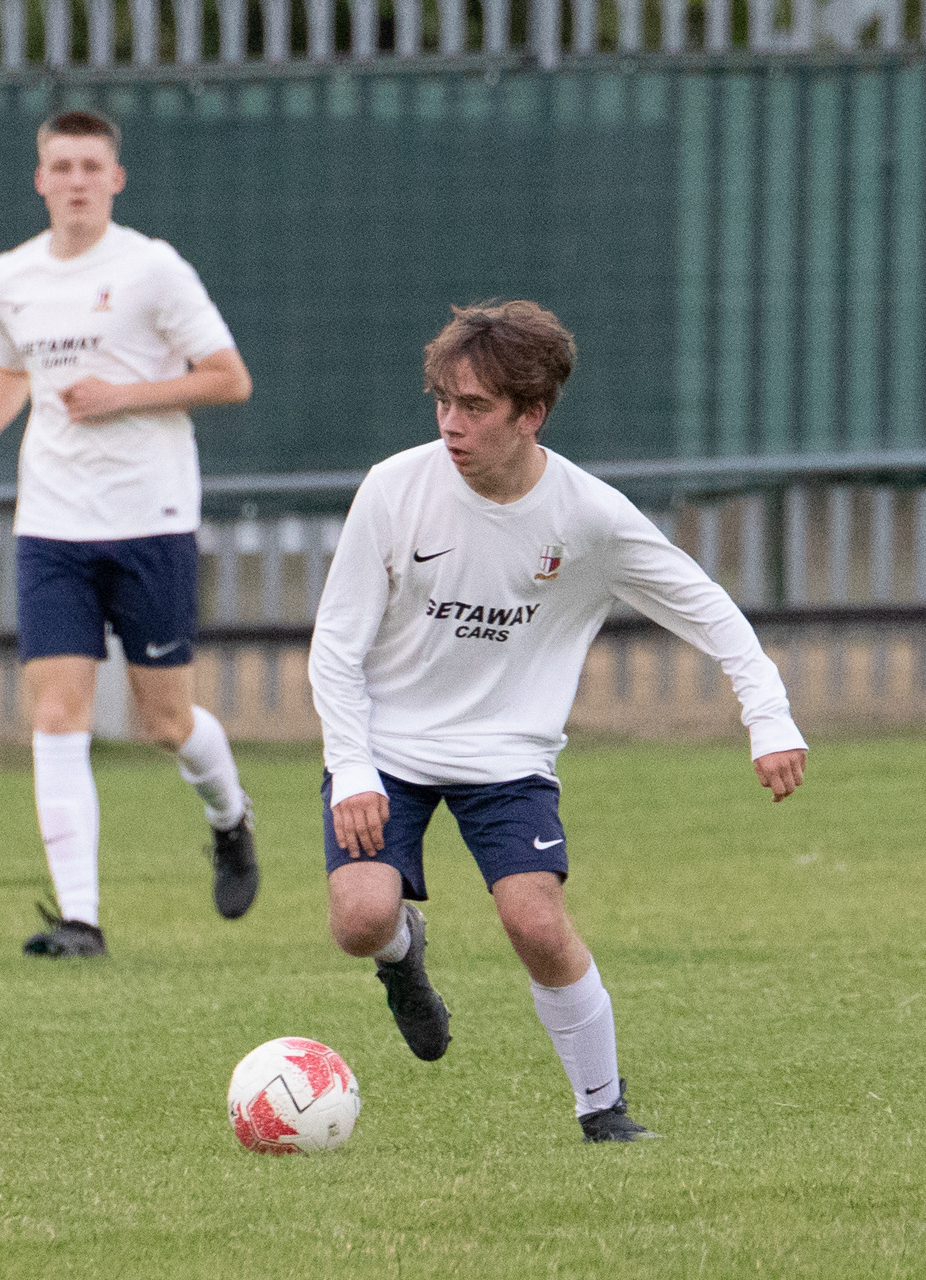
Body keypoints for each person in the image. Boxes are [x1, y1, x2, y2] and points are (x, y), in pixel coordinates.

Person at [308, 301, 808, 1141]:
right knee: (361, 920)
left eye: (475, 407)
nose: (451, 425)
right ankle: (402, 955)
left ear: (531, 413)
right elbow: (335, 643)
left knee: (535, 922)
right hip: (387, 746)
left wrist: (770, 717)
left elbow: (705, 606)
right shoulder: (395, 489)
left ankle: (603, 1111)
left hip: (509, 755)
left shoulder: (589, 516)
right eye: (443, 402)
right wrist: (353, 766)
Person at [0, 110, 259, 958]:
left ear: (116, 179)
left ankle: (230, 816)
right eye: (62, 166)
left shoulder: (151, 268)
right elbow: (13, 367)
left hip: (150, 519)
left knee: (166, 720)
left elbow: (229, 379)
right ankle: (80, 920)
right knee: (57, 712)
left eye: (92, 166)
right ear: (40, 180)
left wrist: (122, 397)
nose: (77, 180)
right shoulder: (10, 275)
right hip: (51, 524)